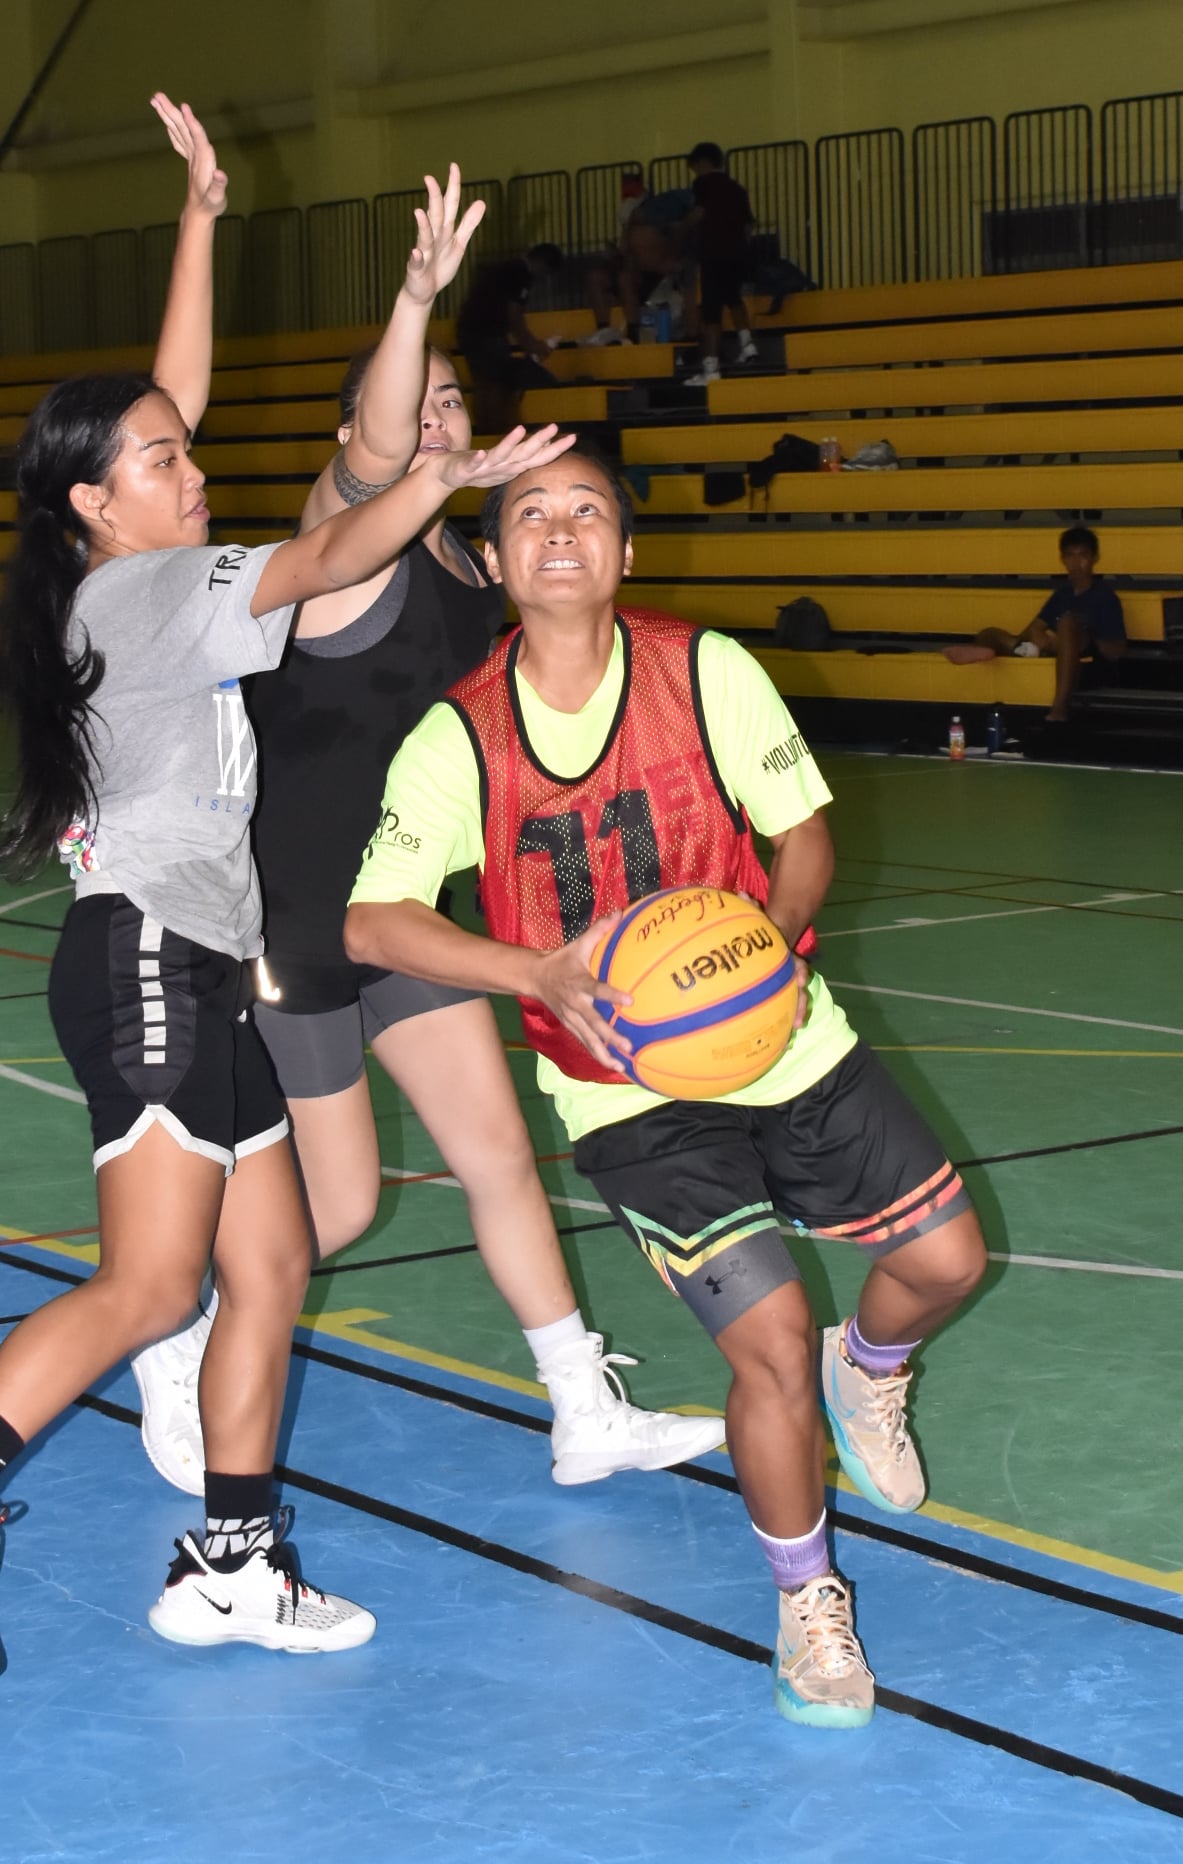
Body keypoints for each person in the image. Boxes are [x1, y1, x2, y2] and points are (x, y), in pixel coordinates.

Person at [0, 99, 580, 1686]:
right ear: (97, 504)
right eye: (164, 463)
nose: (193, 466)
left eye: (186, 452)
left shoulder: (127, 562)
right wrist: (438, 474)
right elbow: (322, 558)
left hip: (206, 970)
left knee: (272, 1263)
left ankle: (233, 1560)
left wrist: (199, 222)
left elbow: (169, 401)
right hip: (147, 961)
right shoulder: (148, 590)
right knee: (155, 1278)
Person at [343, 447, 988, 1728]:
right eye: (531, 514)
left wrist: (772, 949)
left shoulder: (704, 670)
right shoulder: (461, 736)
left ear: (626, 551)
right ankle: (807, 1606)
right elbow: (374, 919)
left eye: (587, 510)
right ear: (494, 561)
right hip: (624, 1087)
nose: (561, 530)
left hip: (782, 1037)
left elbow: (801, 832)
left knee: (947, 1262)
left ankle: (871, 1366)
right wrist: (531, 970)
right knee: (766, 1346)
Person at [131, 165, 726, 1501]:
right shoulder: (343, 544)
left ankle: (581, 1406)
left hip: (399, 910)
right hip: (290, 918)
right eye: (420, 402)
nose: (441, 417)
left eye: (459, 400)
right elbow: (373, 459)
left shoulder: (470, 568)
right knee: (338, 1203)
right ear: (367, 428)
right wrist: (414, 300)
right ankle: (180, 1334)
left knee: (499, 1153)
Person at [943, 524, 1128, 721]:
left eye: (1082, 555)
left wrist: (1072, 636)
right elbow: (1034, 627)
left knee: (1067, 622)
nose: (1076, 562)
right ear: (1063, 559)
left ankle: (1059, 708)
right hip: (1049, 647)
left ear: (1094, 558)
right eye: (1070, 556)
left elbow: (1116, 650)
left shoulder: (1105, 596)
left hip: (1087, 656)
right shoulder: (1062, 594)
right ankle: (986, 647)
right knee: (990, 633)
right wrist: (1038, 639)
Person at [456, 240, 565, 432]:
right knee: (498, 382)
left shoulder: (503, 268)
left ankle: (485, 429)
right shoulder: (521, 274)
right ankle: (497, 429)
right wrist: (531, 345)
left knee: (482, 383)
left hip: (468, 330)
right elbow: (514, 314)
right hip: (489, 332)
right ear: (542, 264)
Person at [586, 175, 695, 345]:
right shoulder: (631, 232)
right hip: (630, 270)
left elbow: (666, 261)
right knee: (596, 277)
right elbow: (624, 256)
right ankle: (603, 329)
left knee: (625, 278)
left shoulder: (660, 228)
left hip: (648, 277)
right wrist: (615, 256)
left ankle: (633, 332)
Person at [682, 142, 758, 387]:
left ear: (702, 163)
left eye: (695, 167)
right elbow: (748, 226)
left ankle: (711, 369)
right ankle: (748, 345)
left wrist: (680, 228)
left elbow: (699, 213)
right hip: (737, 253)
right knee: (733, 298)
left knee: (711, 312)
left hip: (713, 252)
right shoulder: (737, 188)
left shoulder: (703, 184)